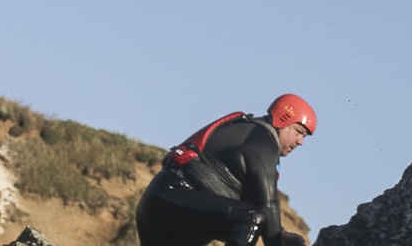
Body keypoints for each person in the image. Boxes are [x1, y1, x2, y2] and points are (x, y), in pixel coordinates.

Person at [134, 94, 313, 246]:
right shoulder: (262, 141)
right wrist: (276, 240)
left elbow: (261, 205)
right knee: (250, 219)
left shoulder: (253, 134)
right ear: (283, 119)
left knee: (247, 216)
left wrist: (280, 234)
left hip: (163, 201)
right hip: (172, 196)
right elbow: (268, 204)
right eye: (298, 131)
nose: (300, 142)